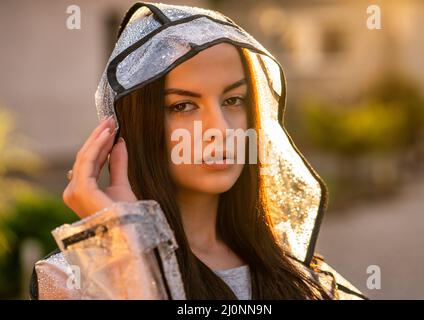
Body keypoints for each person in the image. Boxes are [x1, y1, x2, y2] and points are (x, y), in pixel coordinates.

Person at [29, 2, 366, 300]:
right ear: (130, 127)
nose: (220, 129)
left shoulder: (292, 265)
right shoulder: (73, 280)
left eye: (234, 100)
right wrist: (125, 245)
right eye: (184, 105)